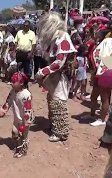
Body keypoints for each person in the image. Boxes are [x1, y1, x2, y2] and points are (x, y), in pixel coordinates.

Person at [35, 12, 77, 142]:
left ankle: (61, 131)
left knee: (59, 100)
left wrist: (42, 72)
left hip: (62, 74)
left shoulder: (63, 37)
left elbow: (59, 62)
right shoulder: (54, 39)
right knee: (52, 99)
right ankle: (55, 124)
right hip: (55, 75)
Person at [0, 72, 34, 158]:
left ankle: (23, 150)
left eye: (13, 82)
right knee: (14, 132)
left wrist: (26, 122)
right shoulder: (13, 92)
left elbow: (28, 109)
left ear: (21, 83)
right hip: (17, 118)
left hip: (25, 120)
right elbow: (8, 101)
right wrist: (4, 111)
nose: (11, 83)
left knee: (23, 136)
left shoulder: (26, 95)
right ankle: (18, 147)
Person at [15, 20, 36, 87]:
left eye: (26, 26)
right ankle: (20, 82)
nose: (25, 26)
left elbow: (34, 45)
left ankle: (25, 83)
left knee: (28, 69)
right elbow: (15, 41)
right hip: (20, 53)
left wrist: (31, 53)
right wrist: (15, 48)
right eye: (24, 25)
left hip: (27, 53)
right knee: (19, 67)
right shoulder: (19, 32)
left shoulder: (32, 33)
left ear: (29, 26)